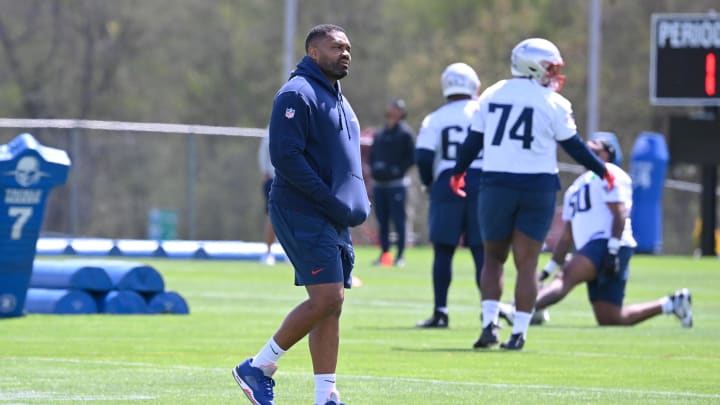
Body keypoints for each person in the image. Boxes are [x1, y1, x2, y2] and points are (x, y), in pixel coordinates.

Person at [232, 24, 370, 405]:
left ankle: (326, 395)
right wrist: (328, 200)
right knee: (327, 298)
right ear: (313, 53)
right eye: (336, 47)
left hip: (331, 215)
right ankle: (258, 367)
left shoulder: (337, 97)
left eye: (348, 47)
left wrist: (356, 198)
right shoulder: (297, 93)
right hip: (302, 210)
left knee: (332, 303)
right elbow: (286, 158)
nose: (345, 53)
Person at [451, 37, 616, 350]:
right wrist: (602, 170)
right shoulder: (553, 102)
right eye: (550, 67)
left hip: (496, 184)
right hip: (537, 186)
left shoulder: (491, 93)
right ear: (534, 66)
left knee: (493, 259)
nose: (554, 74)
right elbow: (574, 147)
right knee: (526, 264)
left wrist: (458, 171)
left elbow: (473, 141)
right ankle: (519, 333)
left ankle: (489, 327)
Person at [498, 139, 693, 328]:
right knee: (610, 318)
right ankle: (671, 304)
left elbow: (619, 213)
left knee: (565, 278)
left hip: (607, 242)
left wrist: (612, 250)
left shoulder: (610, 173)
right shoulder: (575, 187)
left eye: (594, 146)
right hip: (596, 246)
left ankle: (518, 310)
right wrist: (548, 270)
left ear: (607, 153)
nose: (587, 148)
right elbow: (567, 237)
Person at [414, 62, 484, 328]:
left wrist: (428, 183)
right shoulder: (484, 112)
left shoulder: (436, 117)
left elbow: (423, 156)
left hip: (447, 180)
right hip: (482, 179)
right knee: (482, 250)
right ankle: (488, 313)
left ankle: (440, 311)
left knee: (443, 250)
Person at [368, 98, 416, 267]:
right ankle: (385, 254)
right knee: (383, 221)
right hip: (380, 185)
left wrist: (398, 170)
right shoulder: (381, 133)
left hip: (397, 185)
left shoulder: (405, 133)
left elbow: (412, 157)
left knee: (399, 221)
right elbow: (373, 155)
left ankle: (400, 256)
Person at [258, 131, 276, 266]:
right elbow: (263, 153)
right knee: (273, 216)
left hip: (294, 180)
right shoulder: (271, 129)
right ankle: (268, 252)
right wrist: (265, 172)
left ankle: (292, 253)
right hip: (274, 180)